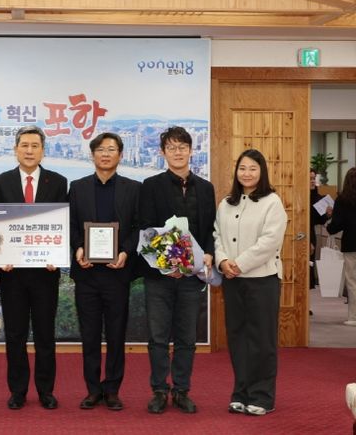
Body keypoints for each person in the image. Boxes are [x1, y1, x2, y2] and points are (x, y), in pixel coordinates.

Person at [0, 125, 68, 410]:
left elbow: (62, 224)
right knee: (15, 334)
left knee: (45, 334)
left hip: (46, 272)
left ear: (43, 150)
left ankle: (46, 390)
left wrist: (58, 254)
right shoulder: (2, 181)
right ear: (15, 149)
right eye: (25, 145)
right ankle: (18, 391)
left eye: (35, 146)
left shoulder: (58, 181)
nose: (30, 150)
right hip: (13, 273)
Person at [139, 126, 215, 415]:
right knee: (158, 337)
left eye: (182, 147)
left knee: (186, 338)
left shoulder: (205, 188)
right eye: (171, 147)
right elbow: (146, 228)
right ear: (163, 153)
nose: (178, 152)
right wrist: (167, 265)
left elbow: (210, 229)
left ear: (191, 151)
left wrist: (208, 253)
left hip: (192, 277)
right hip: (160, 276)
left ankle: (182, 390)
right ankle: (159, 390)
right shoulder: (151, 185)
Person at [69, 132, 140, 411]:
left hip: (117, 273)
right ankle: (92, 389)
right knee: (89, 335)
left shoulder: (134, 188)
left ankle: (112, 389)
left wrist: (125, 252)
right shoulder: (77, 187)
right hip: (86, 273)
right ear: (92, 155)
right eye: (100, 149)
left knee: (116, 334)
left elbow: (138, 227)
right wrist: (78, 248)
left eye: (111, 149)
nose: (106, 154)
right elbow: (71, 224)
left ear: (120, 155)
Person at [213, 148, 287, 416]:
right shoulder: (226, 203)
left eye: (253, 169)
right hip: (232, 280)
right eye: (242, 168)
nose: (247, 173)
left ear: (261, 172)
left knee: (262, 340)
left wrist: (239, 264)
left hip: (262, 280)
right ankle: (241, 393)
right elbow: (217, 235)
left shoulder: (272, 202)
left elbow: (270, 242)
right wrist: (223, 261)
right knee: (238, 337)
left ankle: (262, 397)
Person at [327, 167, 356, 326]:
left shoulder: (343, 200)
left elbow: (336, 225)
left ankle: (354, 316)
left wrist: (329, 224)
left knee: (352, 282)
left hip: (351, 244)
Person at [310, 169, 332, 290]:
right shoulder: (300, 197)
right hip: (302, 233)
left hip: (311, 233)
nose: (312, 181)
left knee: (310, 264)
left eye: (313, 178)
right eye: (310, 179)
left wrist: (328, 215)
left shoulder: (317, 197)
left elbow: (319, 220)